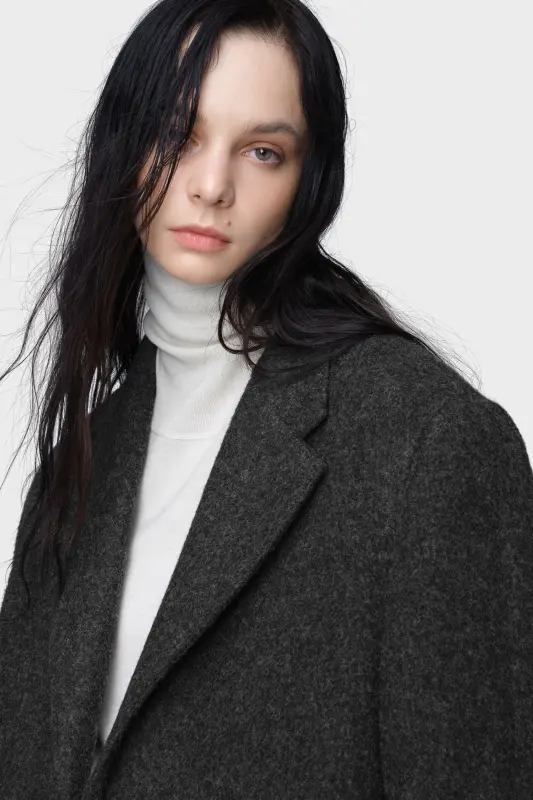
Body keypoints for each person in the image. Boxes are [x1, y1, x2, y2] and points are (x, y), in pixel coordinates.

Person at [1, 1, 532, 798]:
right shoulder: (78, 462)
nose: (212, 186)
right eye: (178, 134)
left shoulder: (426, 445)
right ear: (124, 146)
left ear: (307, 182)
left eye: (261, 152)